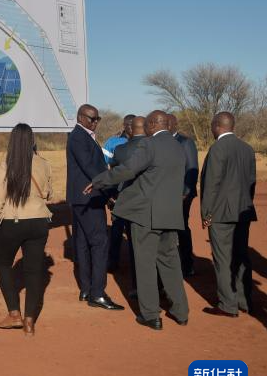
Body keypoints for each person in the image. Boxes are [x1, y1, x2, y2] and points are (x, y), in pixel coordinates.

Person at [87, 110, 189, 330]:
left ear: (153, 124)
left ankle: (151, 315)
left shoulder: (149, 145)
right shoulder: (178, 147)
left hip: (146, 215)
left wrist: (99, 180)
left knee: (144, 264)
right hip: (170, 215)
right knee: (170, 261)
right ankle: (181, 311)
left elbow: (127, 170)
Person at [0, 123, 53, 336]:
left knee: (3, 263)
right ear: (32, 141)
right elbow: (48, 194)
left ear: (12, 141)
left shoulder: (6, 165)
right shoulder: (44, 164)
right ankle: (29, 322)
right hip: (39, 223)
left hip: (13, 222)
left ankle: (14, 313)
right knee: (34, 272)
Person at [200, 112, 258, 317]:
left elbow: (211, 184)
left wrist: (206, 214)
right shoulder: (247, 148)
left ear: (217, 126)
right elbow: (252, 183)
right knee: (241, 256)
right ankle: (245, 301)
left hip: (221, 213)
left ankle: (227, 304)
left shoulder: (218, 148)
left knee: (223, 258)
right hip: (243, 211)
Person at [66, 104, 124, 310]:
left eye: (97, 118)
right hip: (89, 199)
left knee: (82, 243)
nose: (95, 122)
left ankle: (86, 288)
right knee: (99, 243)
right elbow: (91, 168)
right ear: (81, 117)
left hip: (82, 199)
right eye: (92, 119)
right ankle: (97, 293)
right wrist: (109, 193)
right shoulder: (79, 137)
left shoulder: (82, 135)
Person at [107, 114, 147, 284]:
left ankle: (134, 267)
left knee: (132, 233)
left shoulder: (137, 146)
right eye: (127, 125)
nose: (130, 127)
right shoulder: (113, 143)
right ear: (124, 126)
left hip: (130, 195)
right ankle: (113, 262)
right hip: (122, 194)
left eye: (133, 125)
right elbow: (107, 166)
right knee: (118, 230)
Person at [168, 114, 199, 276]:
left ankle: (187, 265)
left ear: (174, 124)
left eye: (168, 123)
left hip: (182, 195)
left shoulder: (185, 142)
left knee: (181, 228)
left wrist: (185, 193)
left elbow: (192, 169)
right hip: (166, 195)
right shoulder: (160, 141)